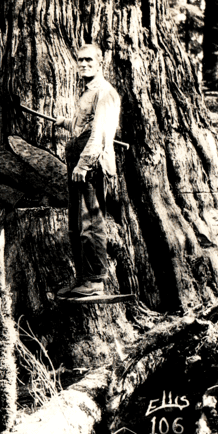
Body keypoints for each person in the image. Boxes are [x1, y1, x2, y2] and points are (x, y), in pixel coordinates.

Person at [55, 44, 122, 297]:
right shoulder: (88, 92)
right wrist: (65, 122)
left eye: (88, 60)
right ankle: (82, 278)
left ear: (99, 63)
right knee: (75, 224)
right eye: (80, 60)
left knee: (90, 223)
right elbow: (83, 125)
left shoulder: (105, 92)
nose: (83, 64)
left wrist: (84, 164)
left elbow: (100, 133)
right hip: (78, 160)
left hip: (90, 163)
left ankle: (95, 281)